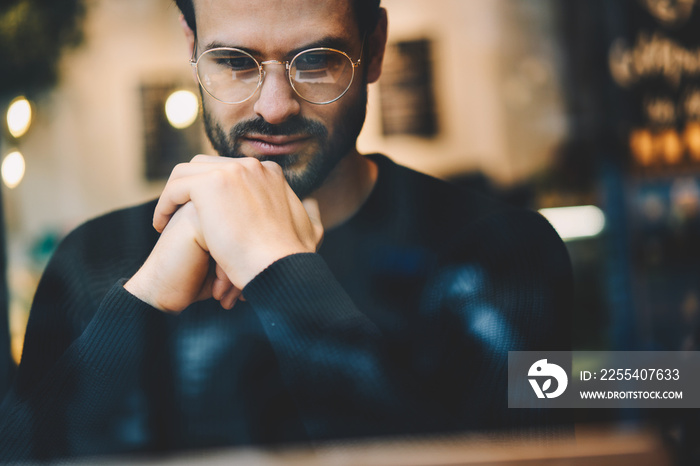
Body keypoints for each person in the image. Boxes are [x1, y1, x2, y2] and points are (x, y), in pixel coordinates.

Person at [0, 0, 572, 461]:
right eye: (233, 61)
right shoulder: (92, 261)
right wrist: (145, 297)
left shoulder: (505, 251)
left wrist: (277, 266)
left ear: (373, 50)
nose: (274, 107)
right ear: (191, 48)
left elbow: (538, 453)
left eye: (317, 59)